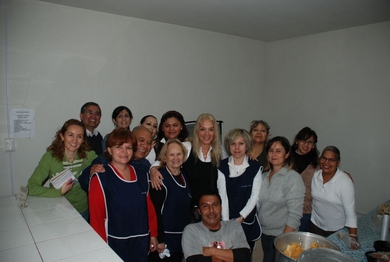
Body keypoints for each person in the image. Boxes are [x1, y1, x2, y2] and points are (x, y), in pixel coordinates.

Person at [88, 128, 158, 262]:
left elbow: (149, 209)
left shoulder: (142, 175)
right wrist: (100, 247)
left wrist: (153, 234)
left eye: (128, 148)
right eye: (118, 147)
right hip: (115, 242)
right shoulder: (101, 178)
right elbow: (97, 218)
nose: (124, 152)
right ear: (109, 150)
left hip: (141, 241)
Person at [151, 113, 227, 222]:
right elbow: (165, 159)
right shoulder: (187, 147)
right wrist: (153, 169)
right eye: (202, 129)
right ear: (197, 131)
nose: (207, 134)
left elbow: (223, 188)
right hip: (190, 214)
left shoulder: (220, 151)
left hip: (212, 213)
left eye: (211, 129)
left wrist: (225, 219)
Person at [26, 119, 97, 221]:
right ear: (62, 136)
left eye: (79, 136)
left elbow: (107, 162)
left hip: (82, 210)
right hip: (58, 210)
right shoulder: (50, 157)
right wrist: (58, 192)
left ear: (83, 140)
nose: (74, 140)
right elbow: (31, 187)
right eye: (70, 135)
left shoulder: (88, 156)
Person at [257, 136, 305, 262]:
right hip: (265, 234)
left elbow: (295, 214)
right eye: (271, 150)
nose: (274, 154)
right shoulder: (263, 176)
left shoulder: (292, 178)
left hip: (282, 235)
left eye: (278, 151)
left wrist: (283, 241)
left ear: (287, 154)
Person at [217, 128, 262, 251]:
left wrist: (242, 217)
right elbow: (223, 197)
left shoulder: (255, 167)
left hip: (246, 219)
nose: (237, 147)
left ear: (247, 145)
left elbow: (255, 196)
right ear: (228, 146)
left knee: (245, 254)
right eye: (233, 144)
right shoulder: (221, 166)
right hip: (227, 217)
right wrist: (226, 223)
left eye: (241, 143)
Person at [148, 139, 191, 262]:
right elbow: (155, 212)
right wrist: (160, 239)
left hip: (181, 237)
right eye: (171, 154)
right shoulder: (159, 178)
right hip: (165, 241)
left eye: (179, 154)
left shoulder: (184, 174)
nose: (176, 158)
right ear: (165, 157)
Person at [309, 146, 359, 249]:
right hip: (315, 226)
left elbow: (350, 212)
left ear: (338, 162)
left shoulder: (344, 181)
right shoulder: (316, 176)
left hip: (336, 230)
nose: (326, 163)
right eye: (324, 158)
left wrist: (353, 237)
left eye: (331, 160)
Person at [182, 191, 251, 262]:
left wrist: (210, 251)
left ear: (221, 208)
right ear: (199, 211)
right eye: (205, 206)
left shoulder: (233, 226)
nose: (211, 210)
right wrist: (230, 256)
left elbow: (244, 257)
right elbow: (194, 260)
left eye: (215, 205)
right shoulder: (191, 230)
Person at [291, 127, 320, 232]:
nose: (306, 145)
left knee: (299, 242)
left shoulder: (317, 164)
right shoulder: (286, 157)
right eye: (303, 141)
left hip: (305, 210)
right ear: (297, 141)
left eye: (310, 142)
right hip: (285, 207)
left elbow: (330, 173)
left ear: (313, 146)